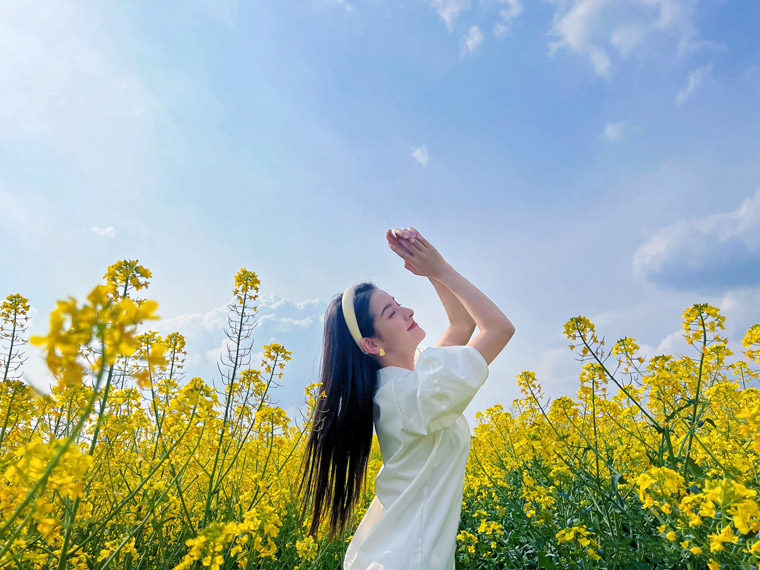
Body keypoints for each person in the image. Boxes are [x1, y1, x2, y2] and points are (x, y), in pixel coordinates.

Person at [297, 227, 515, 569]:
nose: (408, 311)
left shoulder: (404, 389)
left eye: (398, 303)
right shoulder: (411, 395)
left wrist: (429, 268)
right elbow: (498, 328)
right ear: (370, 344)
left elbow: (461, 324)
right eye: (391, 313)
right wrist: (441, 270)